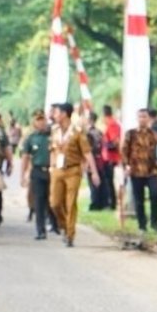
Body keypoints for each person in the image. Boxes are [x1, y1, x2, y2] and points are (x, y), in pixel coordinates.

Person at [48, 102, 99, 247]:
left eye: (57, 112)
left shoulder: (77, 131)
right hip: (57, 169)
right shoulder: (55, 130)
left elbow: (87, 153)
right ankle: (64, 225)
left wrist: (94, 172)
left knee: (70, 202)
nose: (54, 115)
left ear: (64, 114)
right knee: (55, 203)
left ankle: (70, 234)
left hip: (73, 170)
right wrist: (51, 167)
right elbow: (52, 149)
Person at [121, 107, 157, 234]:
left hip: (151, 170)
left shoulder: (153, 134)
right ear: (137, 118)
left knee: (156, 194)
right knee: (139, 199)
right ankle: (142, 225)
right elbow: (124, 151)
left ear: (148, 118)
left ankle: (154, 222)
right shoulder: (131, 134)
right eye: (140, 117)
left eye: (145, 117)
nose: (142, 119)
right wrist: (126, 165)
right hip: (136, 169)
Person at [19, 110, 52, 240]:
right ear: (34, 122)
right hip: (37, 171)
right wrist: (22, 176)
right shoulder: (31, 138)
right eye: (38, 120)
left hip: (51, 171)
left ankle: (55, 224)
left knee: (52, 200)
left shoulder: (52, 136)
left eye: (43, 119)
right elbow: (25, 158)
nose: (41, 122)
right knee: (39, 200)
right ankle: (40, 230)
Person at [100, 104, 122, 210]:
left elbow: (115, 141)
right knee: (108, 181)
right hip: (107, 157)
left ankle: (112, 203)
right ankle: (110, 201)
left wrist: (106, 145)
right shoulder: (109, 124)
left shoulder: (112, 124)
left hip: (111, 158)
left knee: (110, 181)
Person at [85, 111, 107, 211]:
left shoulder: (88, 133)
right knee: (100, 181)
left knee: (92, 182)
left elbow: (87, 149)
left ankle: (95, 203)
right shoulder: (99, 132)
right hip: (100, 158)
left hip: (92, 158)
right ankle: (102, 202)